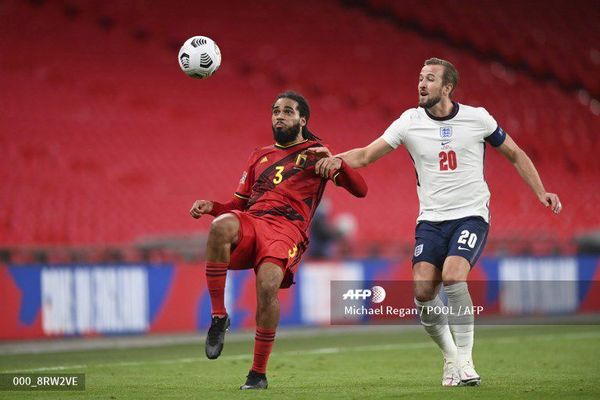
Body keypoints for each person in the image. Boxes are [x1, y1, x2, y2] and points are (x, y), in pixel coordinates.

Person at [310, 58, 562, 387]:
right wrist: (334, 159)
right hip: (431, 219)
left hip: (471, 215)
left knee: (455, 278)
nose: (422, 84)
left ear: (447, 88)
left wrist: (540, 191)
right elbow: (367, 155)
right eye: (420, 78)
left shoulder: (478, 118)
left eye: (430, 79)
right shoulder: (409, 122)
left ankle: (467, 362)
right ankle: (451, 358)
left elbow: (514, 153)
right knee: (423, 290)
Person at [189, 91, 368, 390]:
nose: (279, 116)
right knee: (220, 226)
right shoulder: (258, 155)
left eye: (287, 111)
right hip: (253, 221)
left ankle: (257, 373)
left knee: (268, 284)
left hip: (287, 230)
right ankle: (219, 316)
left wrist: (338, 164)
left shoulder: (316, 153)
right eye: (275, 111)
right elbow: (238, 206)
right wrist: (213, 207)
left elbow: (360, 190)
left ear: (302, 119)